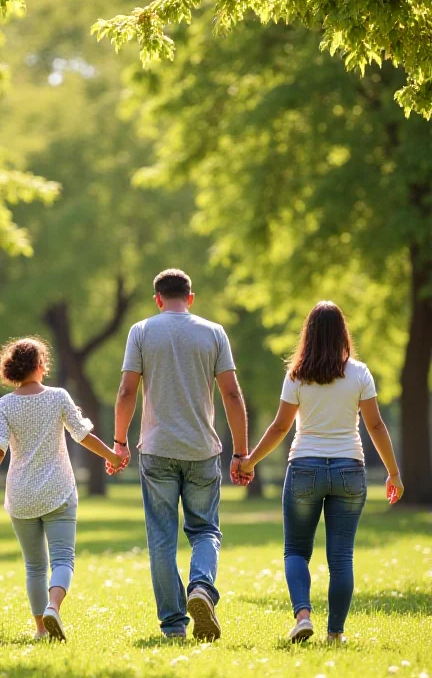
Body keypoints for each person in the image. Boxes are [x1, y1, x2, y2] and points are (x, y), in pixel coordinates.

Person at [239, 301, 404, 643]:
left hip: (305, 468)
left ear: (308, 335)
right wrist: (393, 473)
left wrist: (250, 460)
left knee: (296, 550)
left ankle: (302, 616)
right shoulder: (359, 373)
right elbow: (374, 424)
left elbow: (280, 428)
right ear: (343, 332)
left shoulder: (297, 376)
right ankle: (335, 634)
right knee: (341, 556)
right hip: (349, 469)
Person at [108, 269, 248, 640]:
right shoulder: (214, 332)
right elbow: (232, 395)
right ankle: (201, 587)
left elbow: (125, 392)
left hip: (156, 449)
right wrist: (242, 452)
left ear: (157, 298)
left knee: (161, 538)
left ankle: (173, 625)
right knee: (205, 530)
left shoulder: (141, 332)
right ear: (191, 297)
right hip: (202, 450)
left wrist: (119, 443)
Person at [0, 336, 124, 642]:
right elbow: (82, 434)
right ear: (41, 365)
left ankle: (41, 629)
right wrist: (112, 456)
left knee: (34, 566)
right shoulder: (58, 396)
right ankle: (53, 607)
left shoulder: (4, 404)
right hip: (59, 490)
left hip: (21, 495)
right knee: (62, 560)